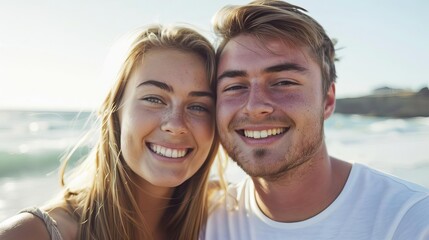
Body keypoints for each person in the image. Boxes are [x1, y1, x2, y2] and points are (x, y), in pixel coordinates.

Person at [204, 1, 429, 239]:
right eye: (235, 86)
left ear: (328, 100)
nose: (254, 106)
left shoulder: (411, 221)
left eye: (284, 82)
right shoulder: (206, 223)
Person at [0, 24, 220, 240]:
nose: (176, 124)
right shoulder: (30, 234)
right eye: (154, 99)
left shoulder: (223, 219)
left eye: (198, 106)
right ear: (112, 111)